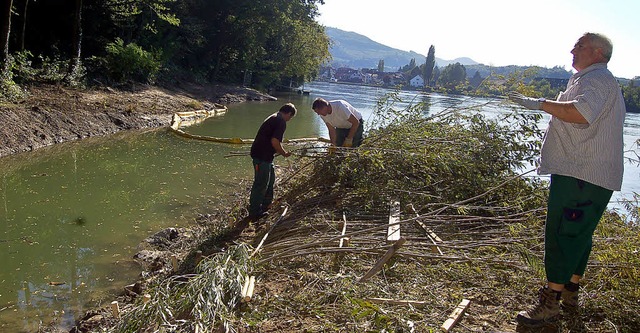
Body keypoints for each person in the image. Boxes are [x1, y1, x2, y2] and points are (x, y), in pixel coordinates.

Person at [508, 32, 626, 327]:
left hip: (582, 172)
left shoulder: (597, 79)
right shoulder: (588, 78)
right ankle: (571, 291)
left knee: (563, 233)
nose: (572, 49)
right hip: (585, 172)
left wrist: (539, 103)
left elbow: (580, 113)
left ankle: (550, 302)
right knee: (578, 233)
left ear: (598, 52)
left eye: (580, 45)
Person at [248, 103, 297, 220]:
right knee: (260, 184)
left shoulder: (274, 117)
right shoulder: (280, 121)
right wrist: (284, 153)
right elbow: (275, 141)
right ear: (289, 114)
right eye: (290, 118)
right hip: (261, 156)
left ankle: (266, 206)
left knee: (270, 181)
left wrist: (277, 151)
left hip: (267, 157)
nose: (289, 120)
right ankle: (254, 212)